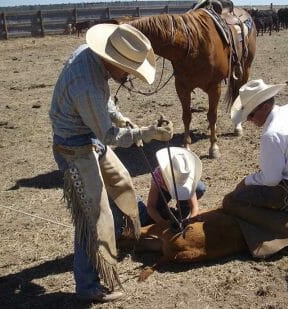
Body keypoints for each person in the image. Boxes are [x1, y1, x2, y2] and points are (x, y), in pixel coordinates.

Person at [49, 23, 174, 303]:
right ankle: (88, 285)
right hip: (74, 148)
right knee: (92, 218)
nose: (128, 77)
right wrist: (148, 133)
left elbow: (103, 106)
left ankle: (124, 235)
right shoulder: (88, 86)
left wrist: (122, 117)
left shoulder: (91, 59)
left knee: (122, 183)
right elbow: (108, 134)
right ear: (110, 59)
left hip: (87, 136)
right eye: (126, 71)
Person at [222, 79, 288, 258]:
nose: (248, 119)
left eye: (251, 114)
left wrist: (245, 182)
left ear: (264, 107)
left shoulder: (272, 135)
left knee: (233, 201)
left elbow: (271, 179)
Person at [143, 147, 206, 225]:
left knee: (199, 188)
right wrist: (162, 222)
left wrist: (191, 219)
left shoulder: (186, 176)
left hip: (180, 188)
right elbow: (151, 206)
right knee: (150, 216)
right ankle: (166, 213)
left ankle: (182, 212)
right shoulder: (158, 177)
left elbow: (194, 207)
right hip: (163, 190)